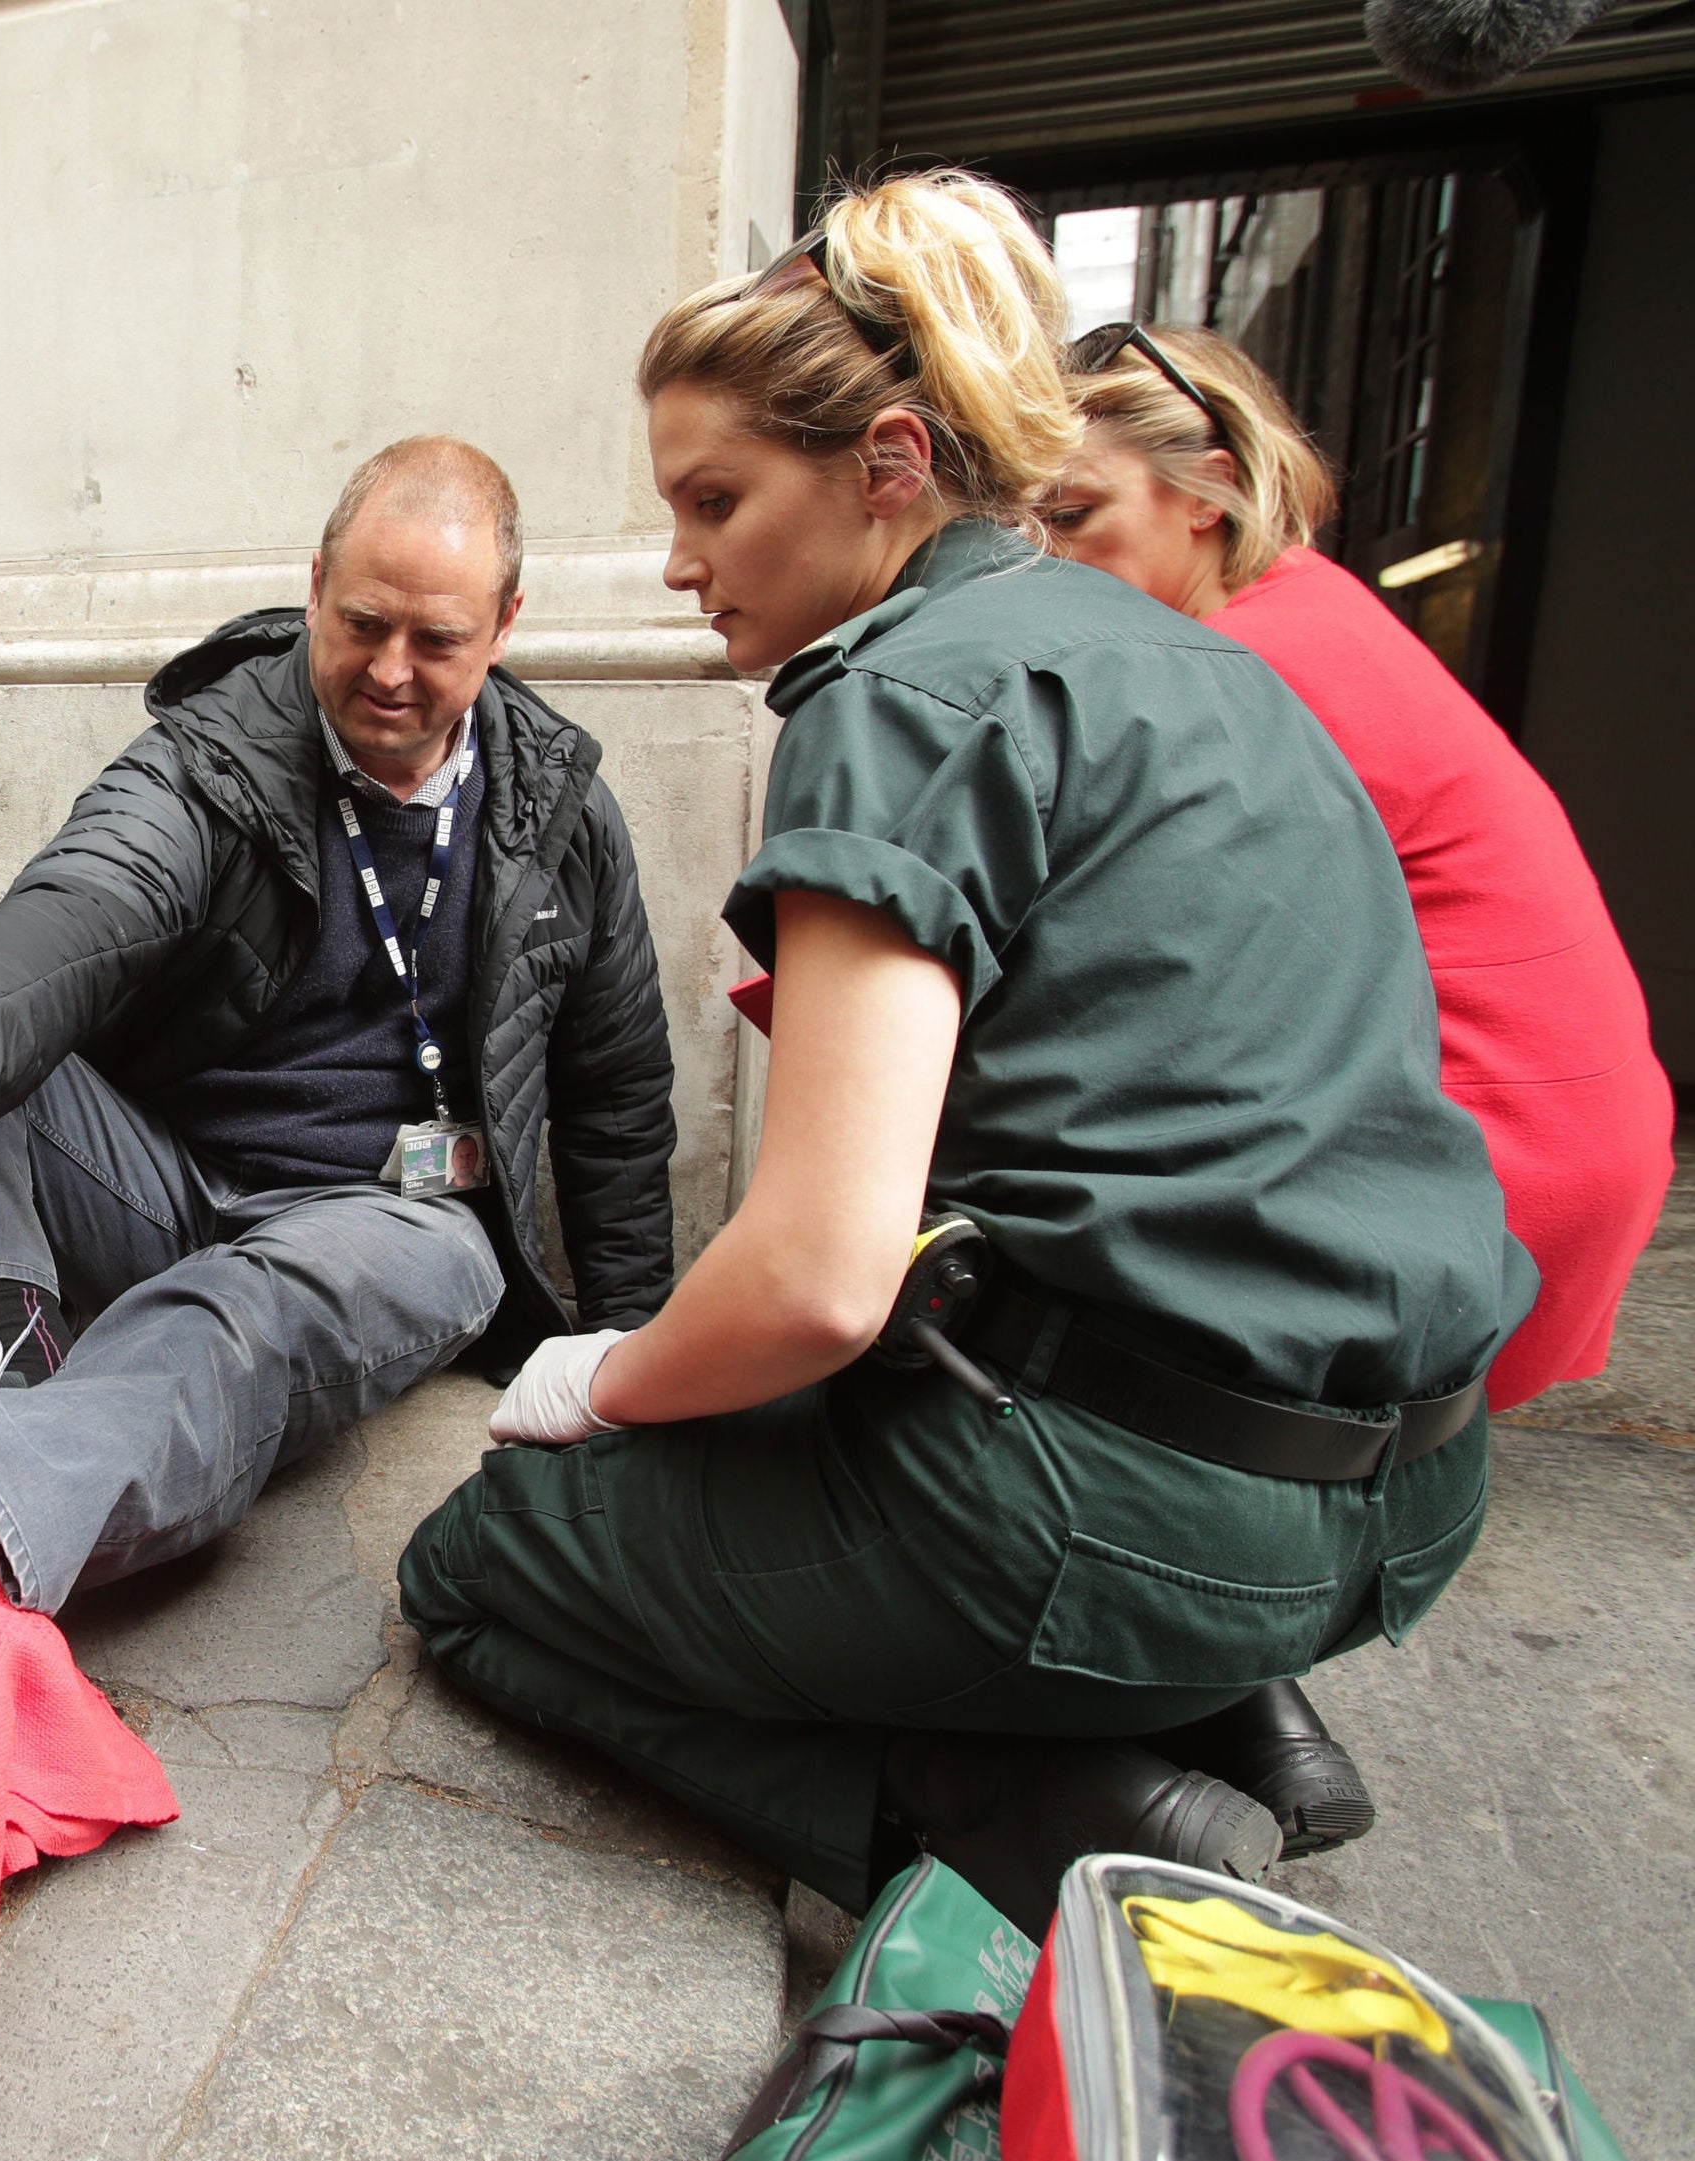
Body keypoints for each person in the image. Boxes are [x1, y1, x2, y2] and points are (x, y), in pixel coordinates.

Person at [393, 175, 1532, 1936]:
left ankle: (1021, 1797)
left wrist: (596, 1384)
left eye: (713, 501)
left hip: (1141, 1512)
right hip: (1412, 1489)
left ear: (891, 462)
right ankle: (1225, 1706)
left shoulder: (896, 696)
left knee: (472, 1569)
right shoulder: (1198, 660)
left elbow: (821, 1278)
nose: (682, 564)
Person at [0, 436, 678, 1621]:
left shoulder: (561, 812)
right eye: (363, 622)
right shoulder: (213, 754)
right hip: (164, 1184)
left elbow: (616, 1090)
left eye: (435, 642)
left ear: (504, 625)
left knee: (252, 1308)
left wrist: (635, 1360)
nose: (389, 670)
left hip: (389, 1225)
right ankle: (22, 1346)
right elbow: (86, 903)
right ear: (316, 582)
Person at [1044, 322, 1672, 1415]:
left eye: (1072, 515)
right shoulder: (1302, 604)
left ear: (1208, 491)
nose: (1046, 559)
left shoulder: (1255, 663)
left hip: (1496, 1162)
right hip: (1567, 1136)